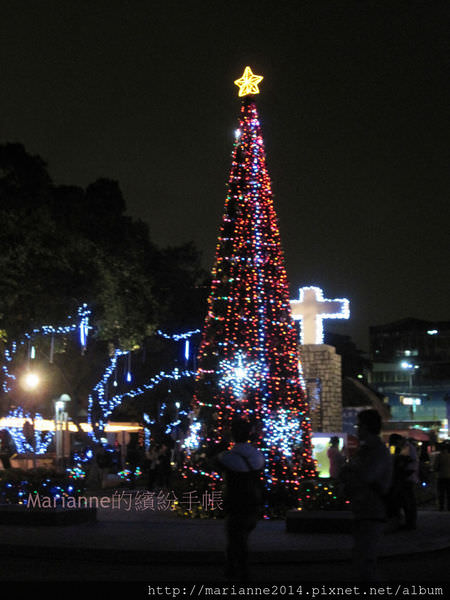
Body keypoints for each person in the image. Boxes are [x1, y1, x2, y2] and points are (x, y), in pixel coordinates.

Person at [340, 409, 393, 582]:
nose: (357, 429)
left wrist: (349, 471)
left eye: (359, 425)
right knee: (362, 557)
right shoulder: (367, 450)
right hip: (363, 509)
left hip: (372, 509)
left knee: (365, 559)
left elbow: (367, 476)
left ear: (367, 427)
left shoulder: (376, 450)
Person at [216, 418, 265, 582]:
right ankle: (239, 567)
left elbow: (215, 462)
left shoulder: (228, 457)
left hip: (235, 500)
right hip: (253, 500)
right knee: (242, 534)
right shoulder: (257, 456)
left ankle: (236, 568)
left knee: (235, 535)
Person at [434, 441, 450, 511]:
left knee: (441, 493)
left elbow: (435, 467)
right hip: (449, 477)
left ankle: (441, 507)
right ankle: (449, 507)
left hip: (441, 476)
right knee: (449, 493)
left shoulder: (439, 456)